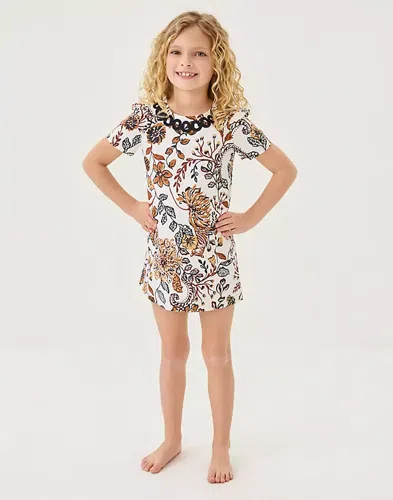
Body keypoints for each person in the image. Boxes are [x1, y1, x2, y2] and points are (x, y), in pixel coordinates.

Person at [83, 10, 297, 484]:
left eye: (199, 53)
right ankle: (173, 438)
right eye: (177, 52)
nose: (187, 62)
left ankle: (221, 445)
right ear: (163, 59)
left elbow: (285, 170)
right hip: (166, 259)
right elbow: (94, 162)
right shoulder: (146, 119)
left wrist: (250, 217)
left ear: (216, 62)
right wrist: (133, 207)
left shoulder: (229, 122)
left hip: (215, 260)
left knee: (217, 355)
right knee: (172, 353)